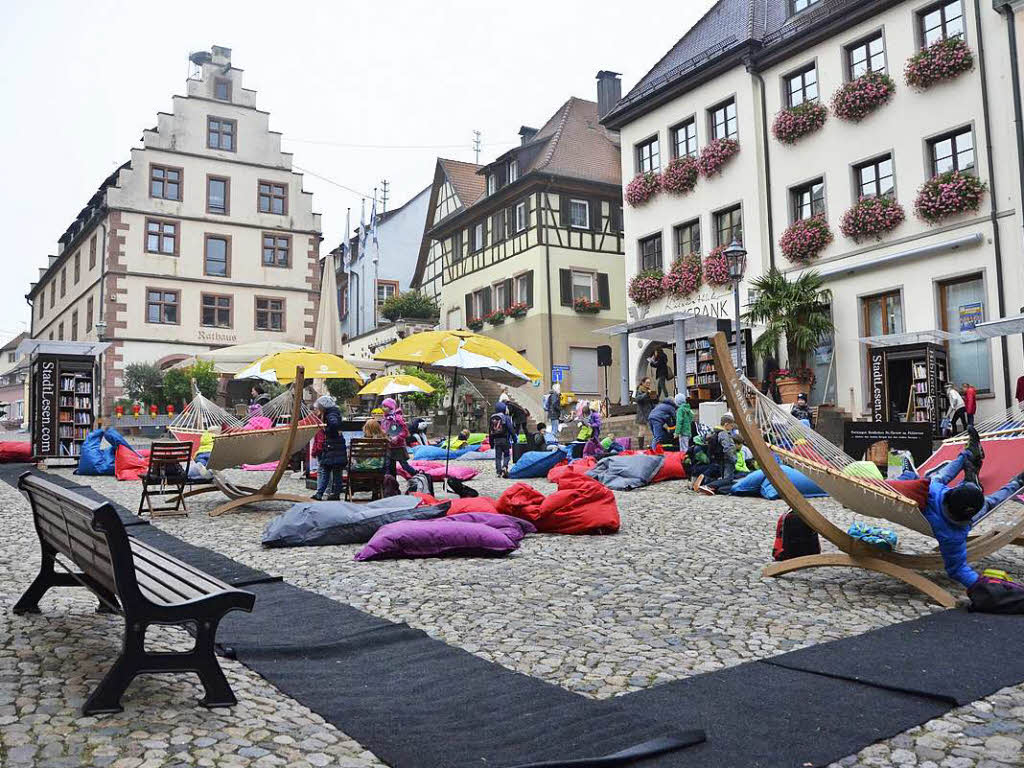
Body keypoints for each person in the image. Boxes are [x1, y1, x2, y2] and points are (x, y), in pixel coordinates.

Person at [888, 428, 1024, 589]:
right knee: (989, 502)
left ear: (949, 495)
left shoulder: (929, 494)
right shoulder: (954, 536)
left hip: (938, 503)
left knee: (938, 477)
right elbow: (958, 569)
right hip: (966, 516)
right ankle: (1007, 480)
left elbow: (958, 570)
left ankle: (968, 460)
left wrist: (909, 477)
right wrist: (983, 586)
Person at [311, 395, 346, 501]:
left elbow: (334, 424)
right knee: (336, 472)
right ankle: (334, 494)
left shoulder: (330, 414)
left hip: (333, 446)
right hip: (337, 446)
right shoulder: (334, 412)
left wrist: (327, 431)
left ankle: (321, 493)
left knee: (327, 470)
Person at [695, 413, 739, 495]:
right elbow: (727, 448)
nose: (731, 428)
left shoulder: (716, 432)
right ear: (726, 424)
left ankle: (711, 486)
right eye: (731, 426)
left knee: (724, 478)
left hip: (720, 459)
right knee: (728, 479)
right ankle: (708, 485)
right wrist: (733, 458)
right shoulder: (724, 434)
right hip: (727, 459)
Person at [380, 397, 416, 477]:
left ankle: (416, 475)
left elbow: (405, 432)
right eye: (382, 406)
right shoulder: (384, 419)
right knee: (391, 467)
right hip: (389, 446)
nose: (383, 408)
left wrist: (397, 437)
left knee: (404, 465)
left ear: (391, 407)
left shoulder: (398, 418)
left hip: (398, 446)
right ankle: (393, 484)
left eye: (385, 406)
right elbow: (383, 430)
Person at [489, 401, 514, 478]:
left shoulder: (492, 418)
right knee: (507, 455)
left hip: (496, 440)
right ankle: (505, 466)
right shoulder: (506, 417)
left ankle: (498, 471)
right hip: (505, 439)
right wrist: (514, 438)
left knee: (498, 457)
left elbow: (490, 431)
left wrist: (491, 443)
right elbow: (510, 429)